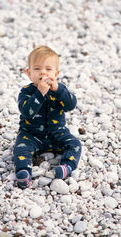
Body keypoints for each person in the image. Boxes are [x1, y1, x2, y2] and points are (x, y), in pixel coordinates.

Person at [13, 45, 82, 188]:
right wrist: (39, 93)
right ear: (29, 73)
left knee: (75, 144)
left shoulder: (59, 90)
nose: (43, 72)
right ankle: (24, 171)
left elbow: (71, 105)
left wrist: (59, 90)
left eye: (48, 69)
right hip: (31, 135)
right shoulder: (26, 91)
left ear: (56, 74)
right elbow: (27, 111)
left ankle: (67, 167)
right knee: (20, 148)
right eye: (37, 69)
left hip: (57, 134)